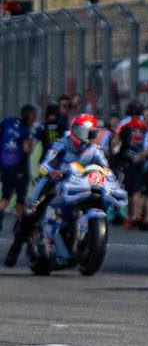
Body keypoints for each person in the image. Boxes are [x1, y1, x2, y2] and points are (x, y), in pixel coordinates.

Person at [5, 111, 103, 268]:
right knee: (31, 210)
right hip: (56, 182)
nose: (83, 137)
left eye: (87, 133)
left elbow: (104, 167)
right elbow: (46, 162)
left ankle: (78, 244)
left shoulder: (95, 149)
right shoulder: (62, 143)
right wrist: (51, 171)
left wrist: (109, 174)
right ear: (74, 130)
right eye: (80, 132)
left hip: (80, 184)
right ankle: (15, 248)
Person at [0, 105, 35, 246]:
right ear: (29, 116)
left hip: (5, 164)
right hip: (19, 167)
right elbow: (26, 149)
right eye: (33, 115)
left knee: (5, 195)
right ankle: (19, 225)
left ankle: (0, 214)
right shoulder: (26, 130)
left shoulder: (8, 121)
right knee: (20, 198)